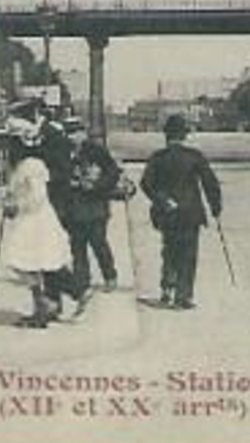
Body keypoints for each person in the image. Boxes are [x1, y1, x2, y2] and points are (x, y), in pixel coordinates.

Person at [140, 114, 223, 310]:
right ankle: (183, 295)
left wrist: (162, 200)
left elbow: (146, 183)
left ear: (166, 135)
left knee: (169, 250)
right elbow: (210, 183)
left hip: (168, 214)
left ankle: (167, 287)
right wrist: (215, 207)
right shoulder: (194, 156)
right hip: (191, 213)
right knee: (188, 254)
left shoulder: (158, 158)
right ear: (184, 135)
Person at [1, 138, 84, 329]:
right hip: (30, 221)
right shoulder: (23, 166)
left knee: (30, 262)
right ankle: (45, 305)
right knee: (34, 264)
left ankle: (52, 302)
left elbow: (37, 196)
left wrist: (17, 206)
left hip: (37, 222)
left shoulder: (31, 166)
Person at [65, 118, 122, 292]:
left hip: (95, 206)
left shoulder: (96, 150)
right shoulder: (63, 152)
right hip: (73, 207)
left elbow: (113, 172)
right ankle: (82, 281)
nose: (73, 137)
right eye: (69, 133)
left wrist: (96, 185)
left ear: (83, 133)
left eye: (76, 132)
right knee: (77, 246)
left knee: (99, 243)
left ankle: (110, 276)